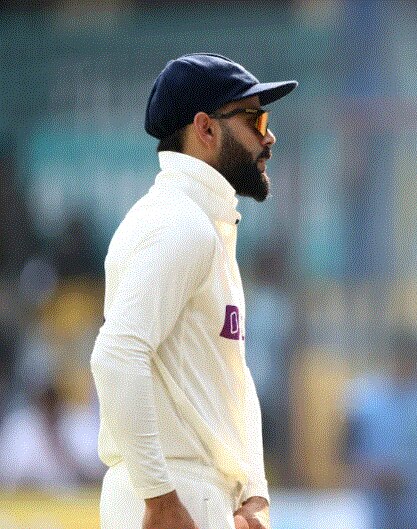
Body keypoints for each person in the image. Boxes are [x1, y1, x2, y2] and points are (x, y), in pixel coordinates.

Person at [90, 53, 297, 529]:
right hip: (174, 496)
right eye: (255, 118)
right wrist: (159, 499)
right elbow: (116, 355)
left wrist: (253, 492)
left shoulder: (199, 222)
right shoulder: (180, 224)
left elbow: (230, 378)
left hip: (196, 494)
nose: (269, 136)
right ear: (205, 129)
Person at [343, 331, 417, 529]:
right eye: (400, 359)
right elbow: (347, 453)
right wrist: (375, 474)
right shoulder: (364, 399)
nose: (405, 366)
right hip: (379, 508)